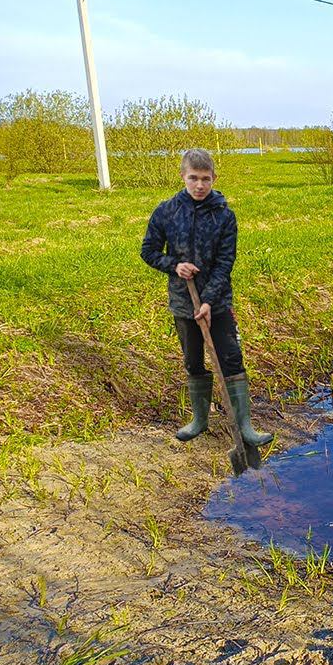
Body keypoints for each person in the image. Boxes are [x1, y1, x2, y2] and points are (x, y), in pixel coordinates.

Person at [140, 148, 272, 453]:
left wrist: (210, 301)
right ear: (183, 176)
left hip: (218, 302)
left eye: (206, 179)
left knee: (230, 358)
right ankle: (200, 421)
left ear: (214, 178)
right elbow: (148, 251)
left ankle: (246, 428)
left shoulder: (224, 215)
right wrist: (173, 264)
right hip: (183, 302)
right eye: (193, 178)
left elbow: (226, 262)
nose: (200, 185)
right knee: (193, 361)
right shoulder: (166, 211)